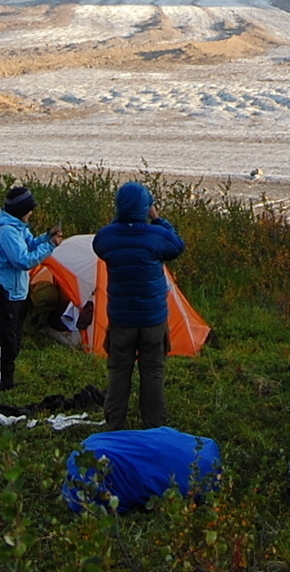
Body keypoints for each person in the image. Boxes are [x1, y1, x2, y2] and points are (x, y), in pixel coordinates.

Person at [92, 181, 186, 429]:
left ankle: (115, 424)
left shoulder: (107, 237)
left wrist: (121, 220)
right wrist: (158, 219)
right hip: (152, 318)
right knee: (153, 371)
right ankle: (154, 425)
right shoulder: (157, 237)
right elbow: (178, 245)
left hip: (121, 318)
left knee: (119, 371)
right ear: (147, 207)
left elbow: (101, 244)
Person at [0, 185, 61, 391]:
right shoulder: (7, 233)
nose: (31, 213)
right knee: (7, 344)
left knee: (12, 342)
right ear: (20, 210)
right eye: (29, 209)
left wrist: (46, 237)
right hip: (4, 296)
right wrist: (51, 246)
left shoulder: (19, 228)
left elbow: (30, 245)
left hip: (17, 295)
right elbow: (23, 260)